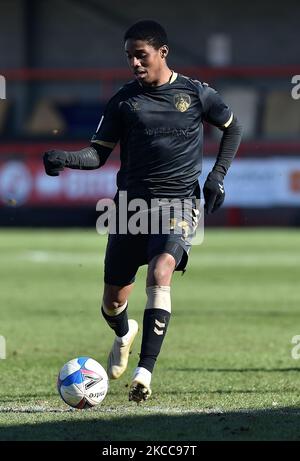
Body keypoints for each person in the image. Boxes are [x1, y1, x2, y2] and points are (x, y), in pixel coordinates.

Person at [43, 20, 242, 403]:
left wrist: (217, 176)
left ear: (162, 53)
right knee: (113, 301)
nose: (134, 63)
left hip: (179, 202)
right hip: (130, 207)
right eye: (129, 56)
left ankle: (144, 373)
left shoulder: (196, 94)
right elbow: (97, 153)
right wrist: (64, 157)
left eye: (141, 55)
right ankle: (123, 332)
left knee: (161, 269)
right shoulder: (123, 100)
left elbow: (233, 129)